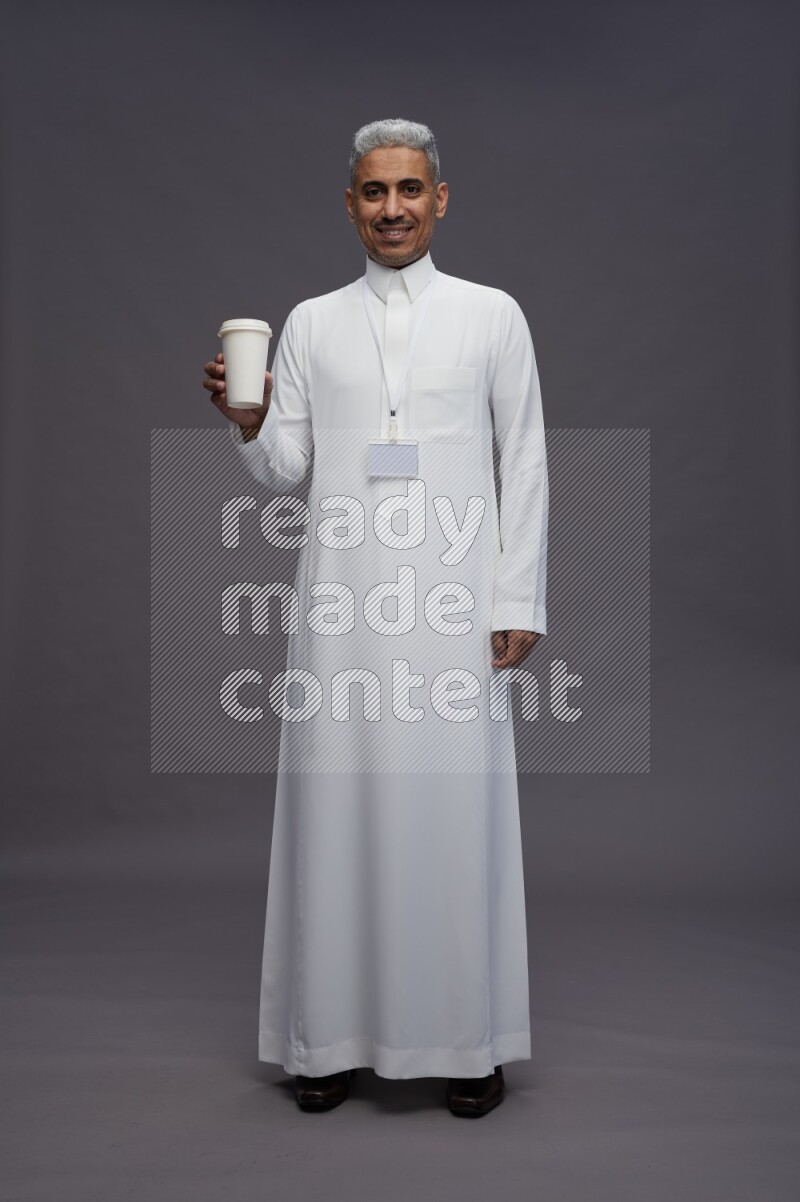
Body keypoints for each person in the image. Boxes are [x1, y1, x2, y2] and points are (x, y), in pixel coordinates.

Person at [202, 118, 548, 1117]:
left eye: (407, 190)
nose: (390, 209)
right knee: (334, 811)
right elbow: (284, 469)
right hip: (342, 601)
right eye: (371, 193)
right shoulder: (310, 322)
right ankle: (327, 1038)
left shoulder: (491, 316)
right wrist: (248, 420)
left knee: (453, 814)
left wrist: (515, 595)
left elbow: (520, 458)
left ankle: (466, 1039)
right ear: (348, 204)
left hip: (452, 601)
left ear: (439, 199)